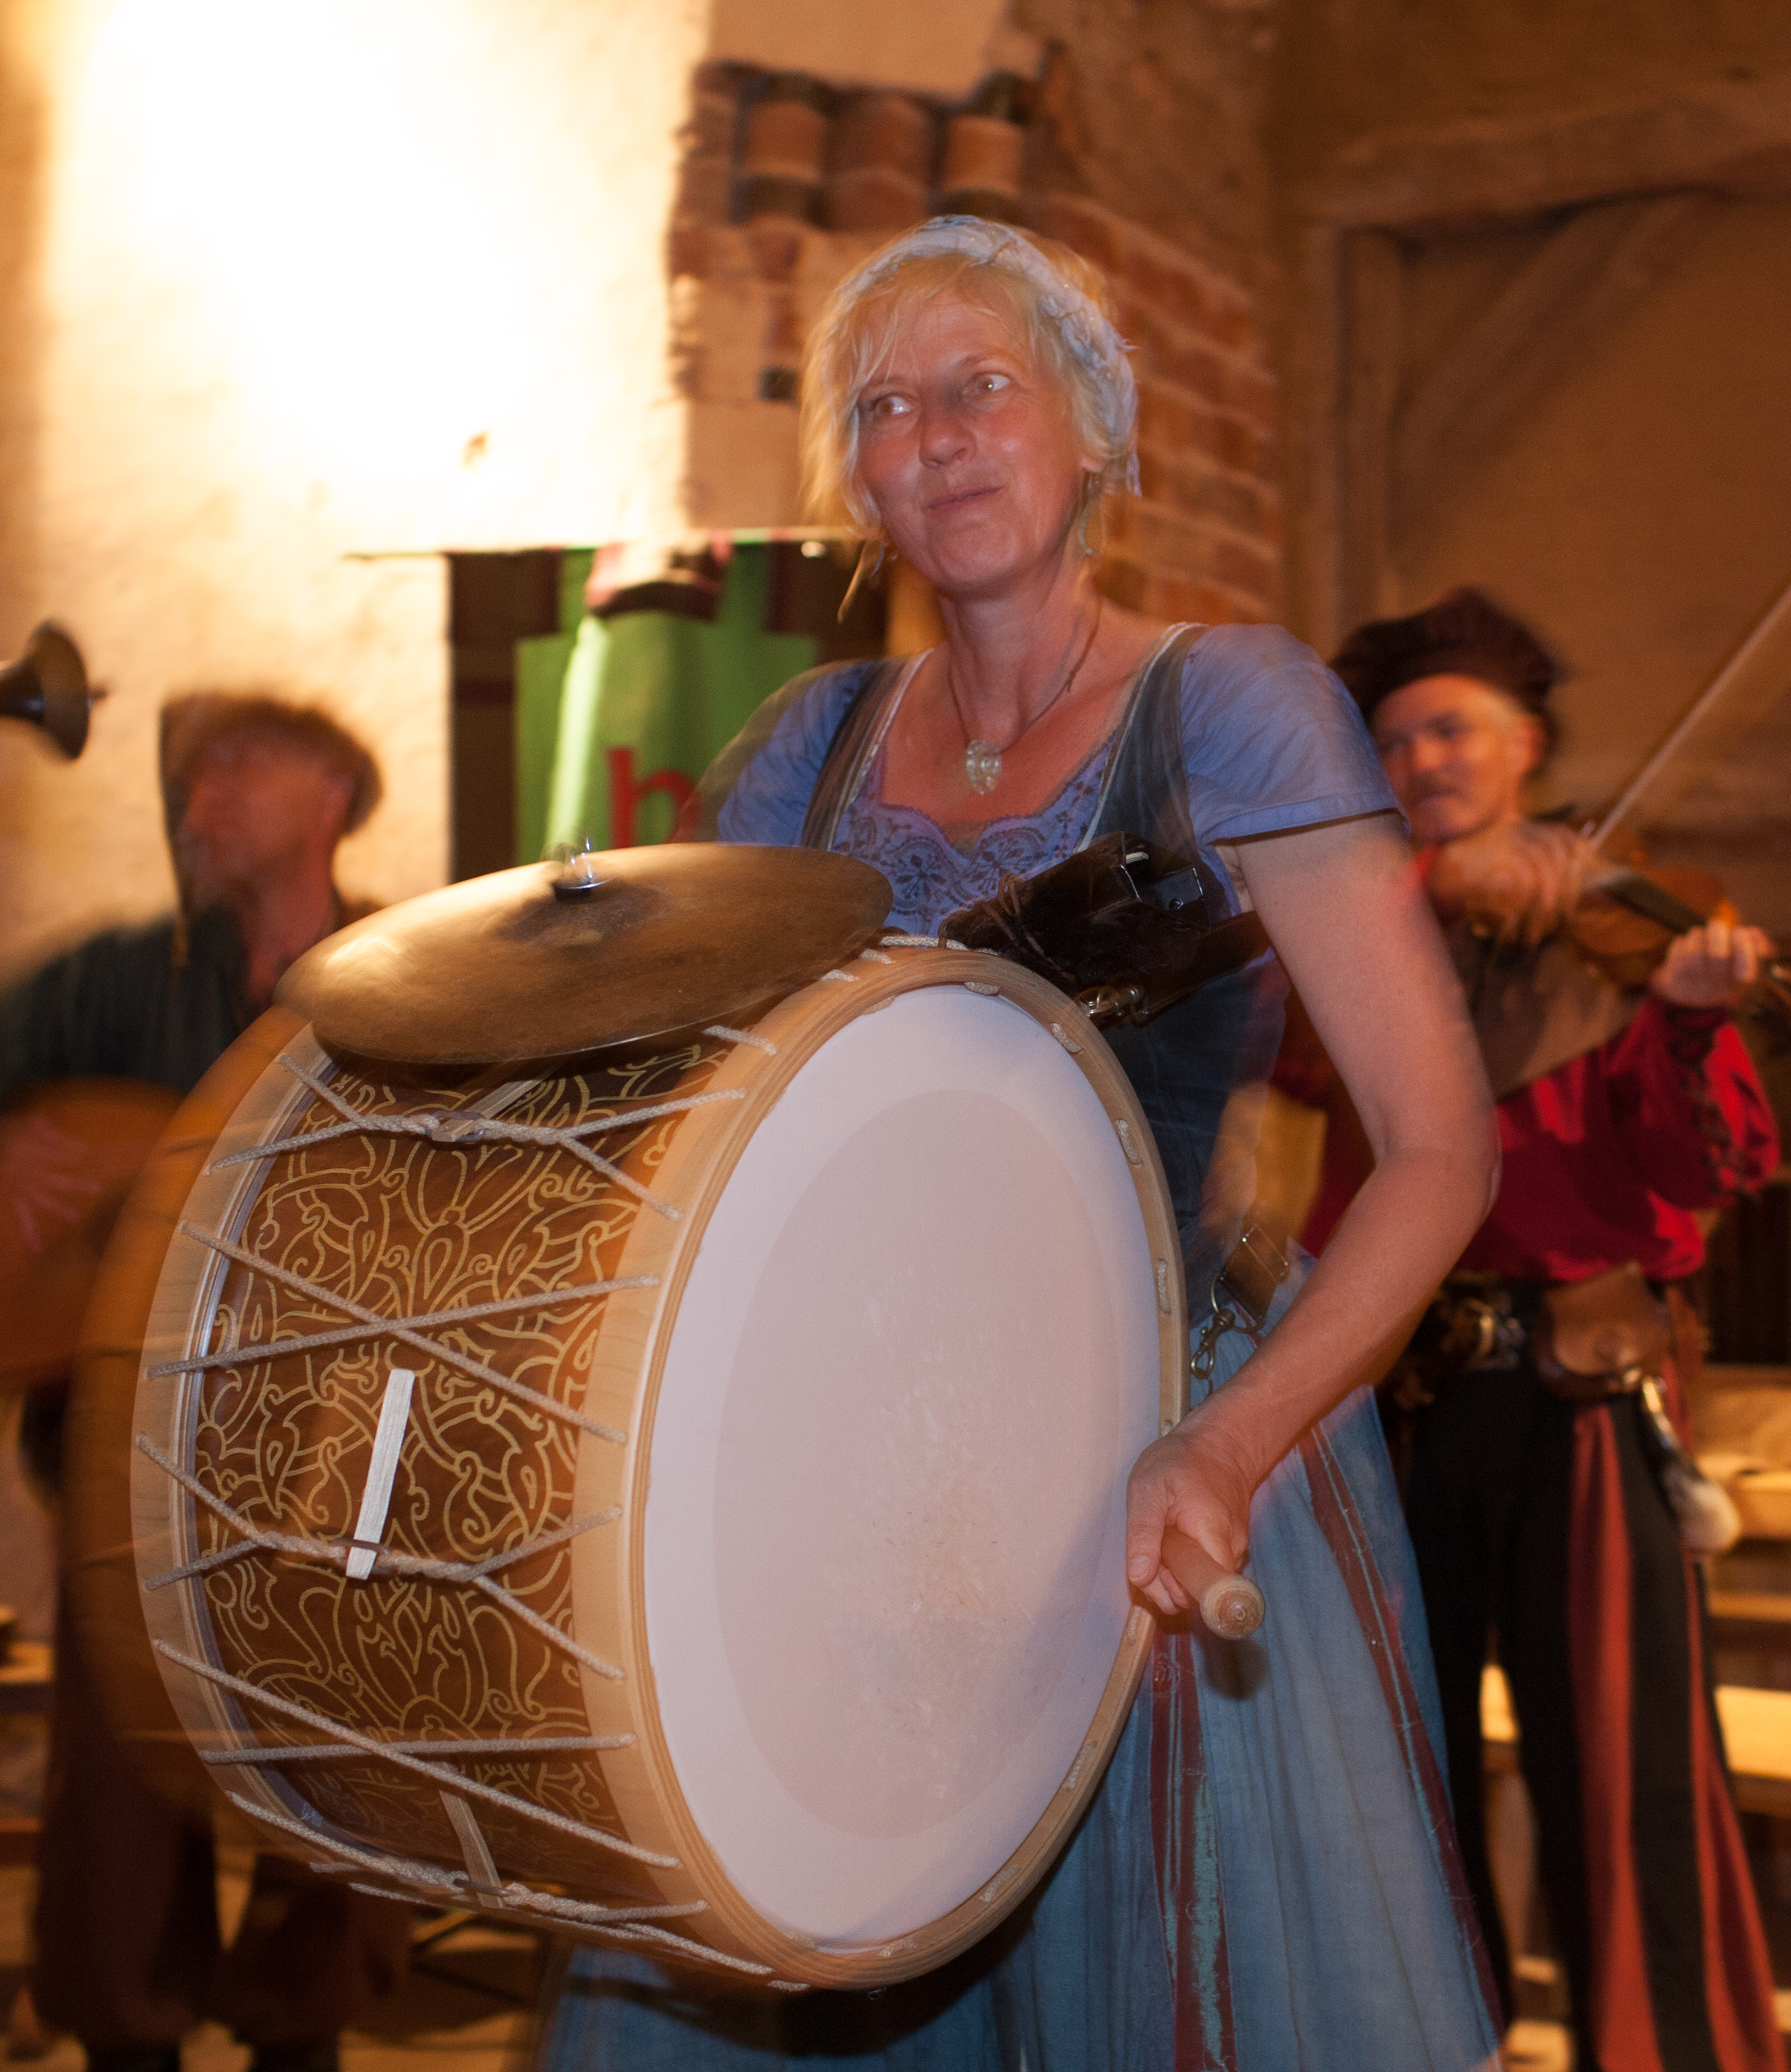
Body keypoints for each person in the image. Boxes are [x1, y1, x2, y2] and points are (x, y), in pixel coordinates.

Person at [534, 216, 1504, 2069]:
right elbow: (691, 1123)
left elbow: (1441, 1150)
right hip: (846, 1490)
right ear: (853, 480)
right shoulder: (803, 750)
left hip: (1156, 1449)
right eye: (884, 408)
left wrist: (1224, 1445)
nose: (937, 437)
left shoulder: (1233, 707)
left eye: (982, 385)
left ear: (1094, 425)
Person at [0, 694, 405, 2072]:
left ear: (334, 791)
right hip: (124, 1449)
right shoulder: (113, 978)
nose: (198, 794)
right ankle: (127, 2034)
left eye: (238, 763)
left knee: (341, 1756)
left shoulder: (411, 973)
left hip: (323, 1449)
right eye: (187, 774)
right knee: (116, 1790)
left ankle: (299, 2032)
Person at [1286, 591, 1786, 2072]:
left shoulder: (1620, 932)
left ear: (1529, 750)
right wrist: (1421, 889)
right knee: (1404, 1764)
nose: (1422, 760)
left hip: (1576, 1393)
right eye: (1394, 744)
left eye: (1453, 731)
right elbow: (1282, 1048)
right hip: (1396, 1400)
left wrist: (1688, 1021)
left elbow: (1705, 1169)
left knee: (1628, 1771)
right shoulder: (1363, 928)